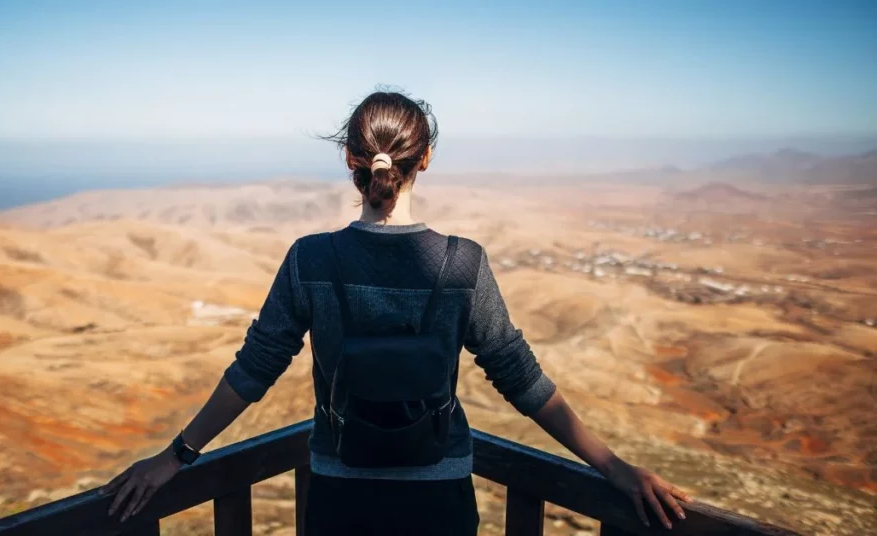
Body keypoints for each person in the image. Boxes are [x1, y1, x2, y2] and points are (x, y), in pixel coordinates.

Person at [100, 90, 692, 535]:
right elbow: (520, 377)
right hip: (438, 494)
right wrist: (614, 467)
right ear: (425, 159)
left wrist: (175, 457)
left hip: (339, 493)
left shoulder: (311, 258)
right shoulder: (463, 264)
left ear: (350, 160)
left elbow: (254, 369)